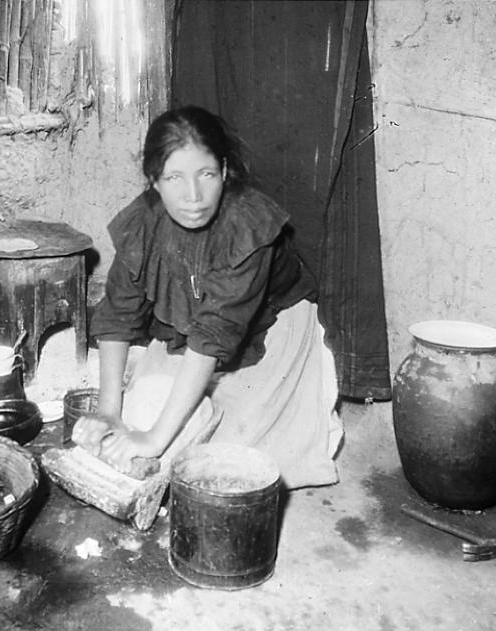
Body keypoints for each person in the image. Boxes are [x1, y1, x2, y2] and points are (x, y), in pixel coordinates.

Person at [72, 105, 342, 489]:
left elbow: (214, 334)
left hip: (267, 328)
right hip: (189, 321)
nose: (194, 196)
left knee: (222, 463)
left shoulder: (247, 226)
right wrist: (108, 411)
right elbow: (119, 314)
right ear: (154, 181)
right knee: (136, 422)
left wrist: (153, 440)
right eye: (175, 177)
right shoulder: (143, 222)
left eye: (207, 174)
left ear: (226, 172)